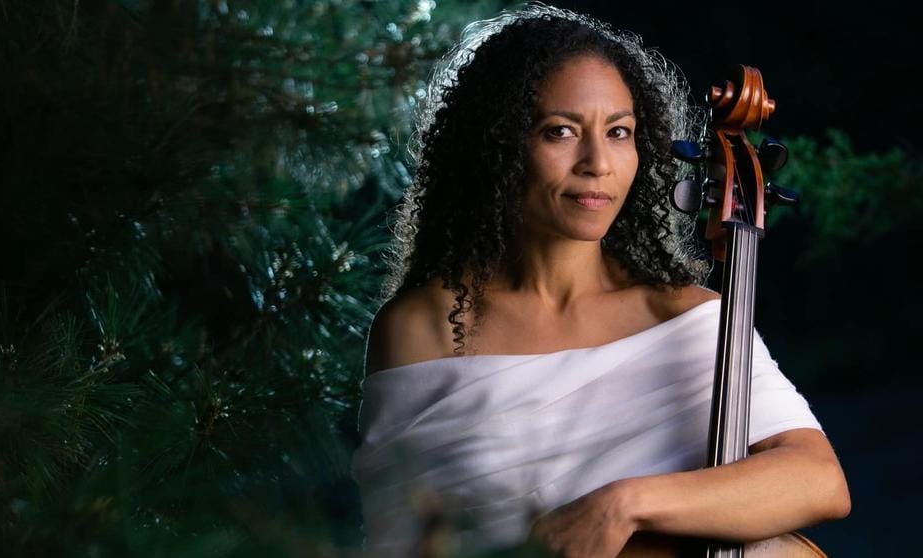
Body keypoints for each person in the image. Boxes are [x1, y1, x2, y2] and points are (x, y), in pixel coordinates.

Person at [350, 3, 850, 557]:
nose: (597, 163)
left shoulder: (691, 319)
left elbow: (818, 480)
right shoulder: (422, 329)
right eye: (560, 131)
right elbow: (400, 543)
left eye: (619, 132)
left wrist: (622, 504)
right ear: (497, 146)